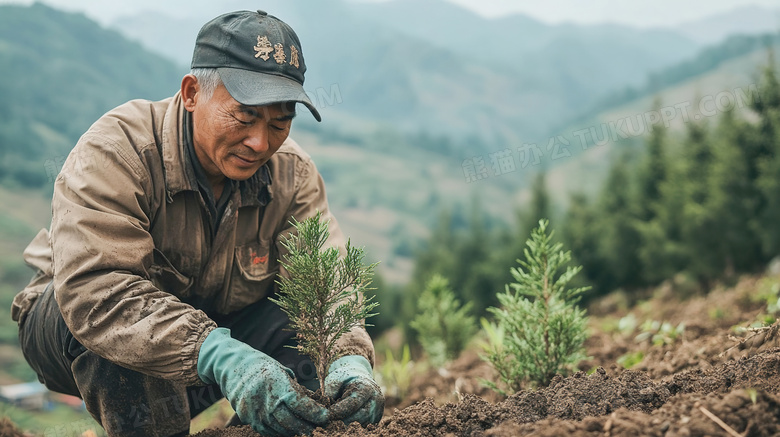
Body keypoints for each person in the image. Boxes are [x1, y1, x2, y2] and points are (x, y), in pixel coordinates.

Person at [11, 10, 383, 437]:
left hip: (216, 335)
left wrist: (348, 357)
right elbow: (97, 290)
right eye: (244, 118)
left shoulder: (291, 174)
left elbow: (327, 282)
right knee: (111, 321)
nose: (260, 142)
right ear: (191, 93)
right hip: (80, 334)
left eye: (279, 123)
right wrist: (220, 355)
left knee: (305, 326)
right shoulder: (118, 150)